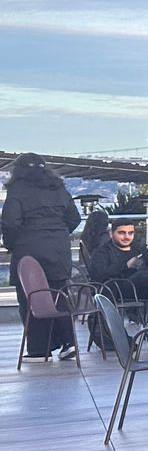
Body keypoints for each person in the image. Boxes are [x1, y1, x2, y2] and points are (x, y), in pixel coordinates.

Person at [3, 153, 80, 359]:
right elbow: (74, 217)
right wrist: (59, 233)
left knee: (30, 299)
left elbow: (10, 223)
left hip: (28, 249)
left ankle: (39, 347)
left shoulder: (17, 190)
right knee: (59, 295)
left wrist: (11, 244)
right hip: (58, 249)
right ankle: (69, 342)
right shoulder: (58, 188)